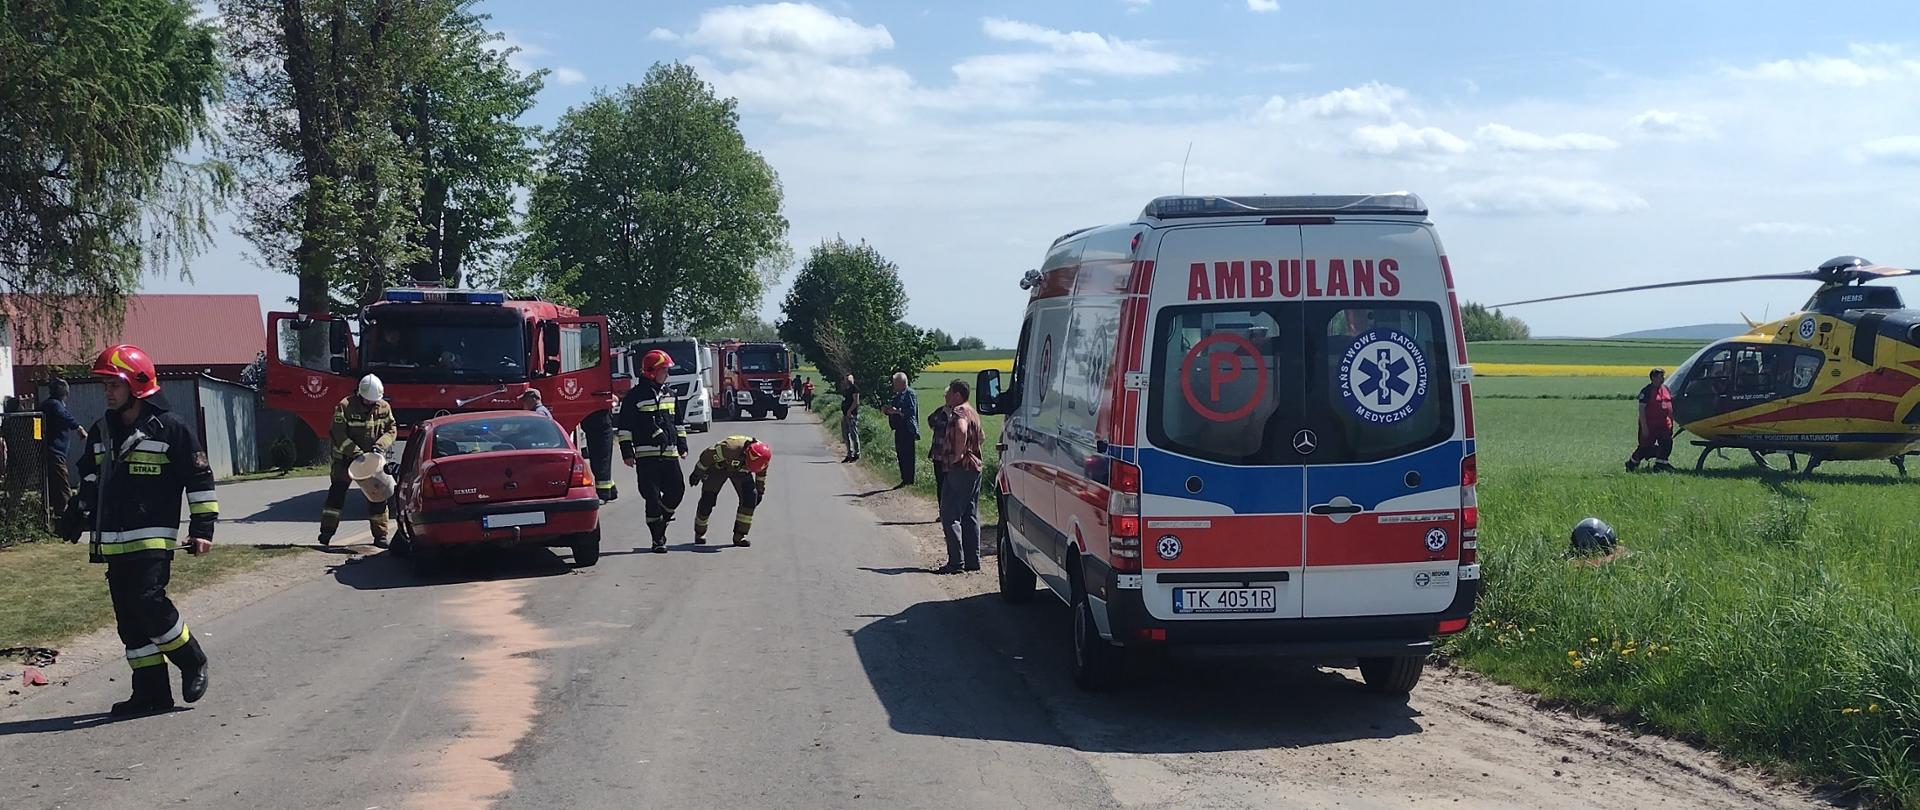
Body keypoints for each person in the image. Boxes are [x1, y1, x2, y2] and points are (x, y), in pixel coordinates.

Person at [59, 344, 215, 716]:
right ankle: (151, 693)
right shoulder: (101, 431)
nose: (107, 392)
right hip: (114, 542)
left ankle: (192, 660)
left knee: (149, 604)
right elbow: (93, 477)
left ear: (137, 385)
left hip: (151, 539)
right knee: (129, 619)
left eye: (114, 385)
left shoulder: (171, 428)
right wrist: (77, 511)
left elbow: (199, 479)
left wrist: (203, 527)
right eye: (106, 386)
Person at [619, 349, 688, 553]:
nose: (667, 374)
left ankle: (662, 521)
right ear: (651, 371)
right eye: (664, 370)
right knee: (651, 497)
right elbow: (625, 427)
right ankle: (657, 538)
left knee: (677, 491)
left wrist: (682, 445)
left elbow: (679, 423)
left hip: (670, 453)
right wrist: (627, 453)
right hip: (645, 455)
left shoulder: (670, 394)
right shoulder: (634, 397)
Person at [320, 375, 396, 548]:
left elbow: (391, 429)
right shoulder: (345, 406)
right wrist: (355, 453)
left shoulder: (383, 407)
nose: (371, 404)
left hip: (373, 462)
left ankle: (380, 536)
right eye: (368, 401)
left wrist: (380, 446)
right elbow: (338, 434)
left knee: (378, 497)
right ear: (360, 395)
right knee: (336, 495)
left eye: (374, 401)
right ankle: (326, 533)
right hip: (345, 460)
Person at [937, 380, 986, 574]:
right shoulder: (973, 411)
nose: (946, 396)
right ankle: (972, 560)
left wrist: (958, 456)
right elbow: (981, 436)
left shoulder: (959, 413)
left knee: (949, 514)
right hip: (974, 468)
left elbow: (962, 430)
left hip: (960, 468)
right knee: (970, 514)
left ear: (957, 395)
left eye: (949, 393)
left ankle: (956, 562)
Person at [689, 436, 772, 547]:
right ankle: (700, 533)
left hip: (740, 472)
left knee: (750, 498)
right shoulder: (729, 449)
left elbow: (761, 475)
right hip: (718, 468)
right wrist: (697, 473)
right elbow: (707, 456)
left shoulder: (763, 457)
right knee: (707, 500)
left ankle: (739, 536)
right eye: (749, 465)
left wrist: (760, 491)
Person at [42, 378, 85, 520]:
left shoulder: (48, 405)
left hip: (54, 451)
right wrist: (78, 427)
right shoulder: (54, 405)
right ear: (65, 392)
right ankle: (67, 516)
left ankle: (55, 513)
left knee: (54, 483)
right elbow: (64, 416)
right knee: (62, 483)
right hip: (54, 451)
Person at [1627, 368, 1675, 471]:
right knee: (1645, 447)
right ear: (1653, 378)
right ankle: (1632, 463)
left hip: (1664, 424)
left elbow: (1669, 406)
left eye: (1663, 376)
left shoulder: (1666, 389)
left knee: (1667, 443)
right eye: (1660, 376)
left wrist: (1671, 422)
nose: (1663, 379)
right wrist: (1644, 427)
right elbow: (1642, 410)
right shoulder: (1647, 391)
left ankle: (1661, 464)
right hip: (1650, 424)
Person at [883, 372, 919, 488]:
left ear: (901, 383)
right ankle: (904, 478)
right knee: (900, 454)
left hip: (908, 428)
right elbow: (893, 409)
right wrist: (887, 410)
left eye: (895, 383)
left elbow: (911, 411)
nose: (893, 385)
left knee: (908, 454)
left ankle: (909, 479)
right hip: (899, 428)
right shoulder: (897, 395)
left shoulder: (910, 394)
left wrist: (897, 411)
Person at [927, 396, 954, 499]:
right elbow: (930, 420)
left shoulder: (958, 413)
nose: (946, 399)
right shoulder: (940, 411)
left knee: (951, 485)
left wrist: (948, 416)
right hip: (938, 454)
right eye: (946, 397)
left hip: (950, 455)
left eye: (948, 396)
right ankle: (941, 509)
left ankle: (949, 511)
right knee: (940, 483)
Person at [838, 373, 861, 462]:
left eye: (848, 379)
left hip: (852, 415)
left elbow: (856, 401)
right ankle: (849, 453)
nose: (846, 381)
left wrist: (849, 411)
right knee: (845, 434)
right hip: (845, 415)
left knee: (853, 434)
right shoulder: (846, 389)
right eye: (845, 379)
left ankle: (856, 453)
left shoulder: (854, 389)